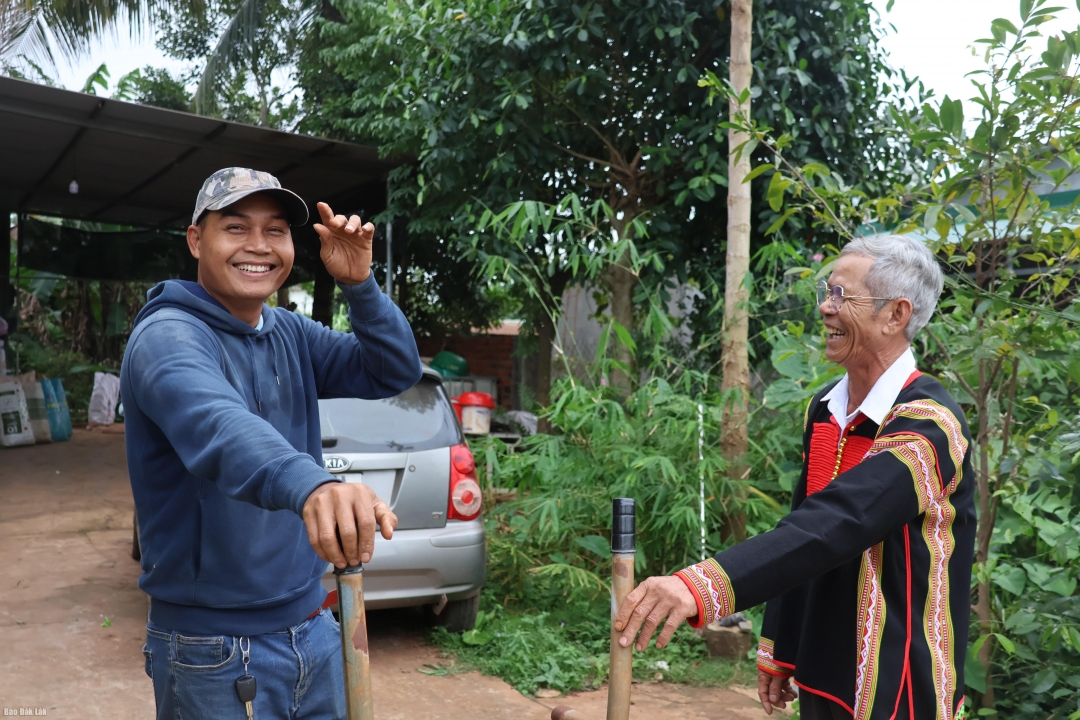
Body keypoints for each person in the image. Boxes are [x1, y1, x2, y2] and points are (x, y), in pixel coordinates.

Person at [615, 235, 975, 720]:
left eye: (842, 296)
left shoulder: (930, 425)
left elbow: (843, 520)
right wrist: (781, 646)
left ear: (896, 314)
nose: (826, 308)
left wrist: (702, 585)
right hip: (823, 662)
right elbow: (804, 525)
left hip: (896, 679)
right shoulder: (825, 408)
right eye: (827, 293)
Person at [121, 167, 423, 720]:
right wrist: (314, 486)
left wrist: (361, 286)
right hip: (212, 649)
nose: (258, 246)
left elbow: (393, 370)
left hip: (314, 627)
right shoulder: (166, 337)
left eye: (275, 230)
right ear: (196, 239)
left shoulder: (286, 330)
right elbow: (218, 424)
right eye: (236, 227)